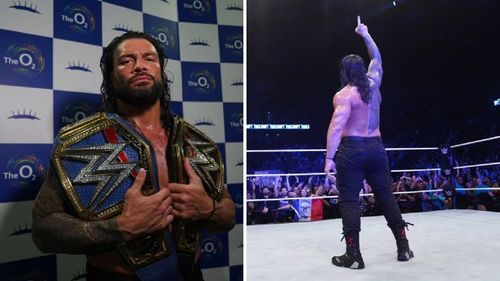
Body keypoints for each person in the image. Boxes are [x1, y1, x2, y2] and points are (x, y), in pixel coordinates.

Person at [32, 31, 236, 281]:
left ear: (161, 70)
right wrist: (119, 228)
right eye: (126, 60)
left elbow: (228, 216)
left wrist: (209, 208)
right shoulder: (78, 143)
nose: (140, 66)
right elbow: (43, 231)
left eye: (149, 58)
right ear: (110, 76)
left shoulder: (197, 143)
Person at [324, 16, 413, 270]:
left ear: (344, 72)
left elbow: (336, 126)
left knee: (350, 200)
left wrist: (329, 159)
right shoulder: (374, 83)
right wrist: (365, 34)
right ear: (361, 69)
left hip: (352, 149)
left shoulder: (343, 95)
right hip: (376, 147)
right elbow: (377, 58)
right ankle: (404, 248)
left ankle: (353, 255)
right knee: (386, 198)